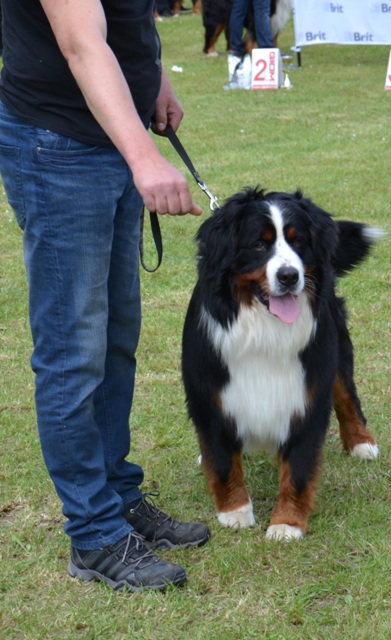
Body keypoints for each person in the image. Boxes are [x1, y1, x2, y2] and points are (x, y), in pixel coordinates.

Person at [0, 0, 211, 593]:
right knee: (74, 350)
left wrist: (155, 78)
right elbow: (81, 42)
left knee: (116, 339)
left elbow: (125, 17)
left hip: (107, 138)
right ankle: (93, 534)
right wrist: (145, 157)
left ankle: (117, 494)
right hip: (57, 144)